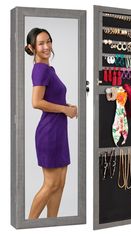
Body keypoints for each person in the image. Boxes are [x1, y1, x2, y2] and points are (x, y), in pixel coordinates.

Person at [25, 28, 78, 219]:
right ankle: (29, 226)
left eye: (48, 41)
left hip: (58, 131)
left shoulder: (49, 69)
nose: (46, 46)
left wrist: (66, 105)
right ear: (32, 48)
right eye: (41, 43)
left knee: (60, 184)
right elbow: (36, 102)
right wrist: (65, 110)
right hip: (50, 133)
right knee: (51, 184)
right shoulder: (40, 69)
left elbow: (50, 98)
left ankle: (51, 225)